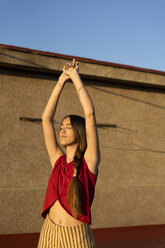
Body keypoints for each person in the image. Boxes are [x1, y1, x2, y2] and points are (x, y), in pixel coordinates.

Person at [37, 59, 100, 248]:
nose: (62, 131)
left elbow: (89, 115)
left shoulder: (90, 161)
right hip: (49, 233)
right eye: (61, 127)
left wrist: (75, 78)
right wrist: (60, 81)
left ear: (79, 132)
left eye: (68, 127)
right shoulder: (58, 160)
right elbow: (46, 119)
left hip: (77, 237)